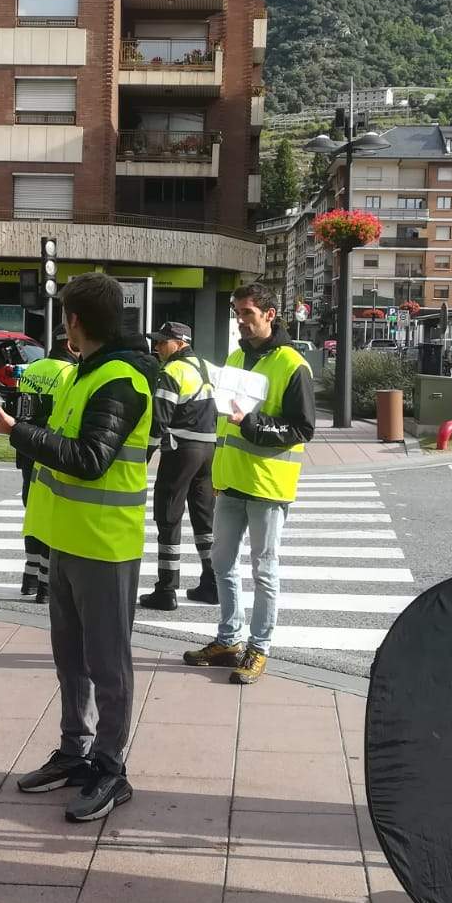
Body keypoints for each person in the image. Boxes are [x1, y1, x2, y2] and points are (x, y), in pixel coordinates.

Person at [0, 272, 156, 822]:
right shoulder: (84, 372)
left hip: (104, 546)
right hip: (67, 539)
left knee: (108, 664)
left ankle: (110, 767)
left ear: (75, 320)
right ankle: (75, 751)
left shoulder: (121, 379)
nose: (63, 327)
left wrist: (16, 432)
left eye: (64, 317)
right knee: (71, 659)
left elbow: (89, 459)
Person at [183, 282, 315, 685]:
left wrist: (252, 423)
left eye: (247, 313)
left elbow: (303, 429)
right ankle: (228, 641)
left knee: (264, 571)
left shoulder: (293, 364)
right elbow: (228, 418)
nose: (240, 320)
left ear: (270, 314)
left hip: (268, 485)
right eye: (237, 313)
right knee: (221, 563)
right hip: (231, 480)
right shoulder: (237, 356)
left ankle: (259, 648)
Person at [140, 321, 218, 611]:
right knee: (204, 518)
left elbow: (158, 420)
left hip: (180, 449)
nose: (157, 347)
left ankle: (166, 589)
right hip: (208, 449)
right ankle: (212, 583)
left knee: (168, 516)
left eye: (163, 342)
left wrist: (144, 456)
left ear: (180, 343)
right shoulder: (206, 367)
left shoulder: (173, 370)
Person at [17, 337, 76, 602]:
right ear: (70, 345)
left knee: (32, 513)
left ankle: (29, 578)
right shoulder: (70, 373)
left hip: (26, 447)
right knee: (51, 517)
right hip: (51, 448)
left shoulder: (33, 368)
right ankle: (45, 584)